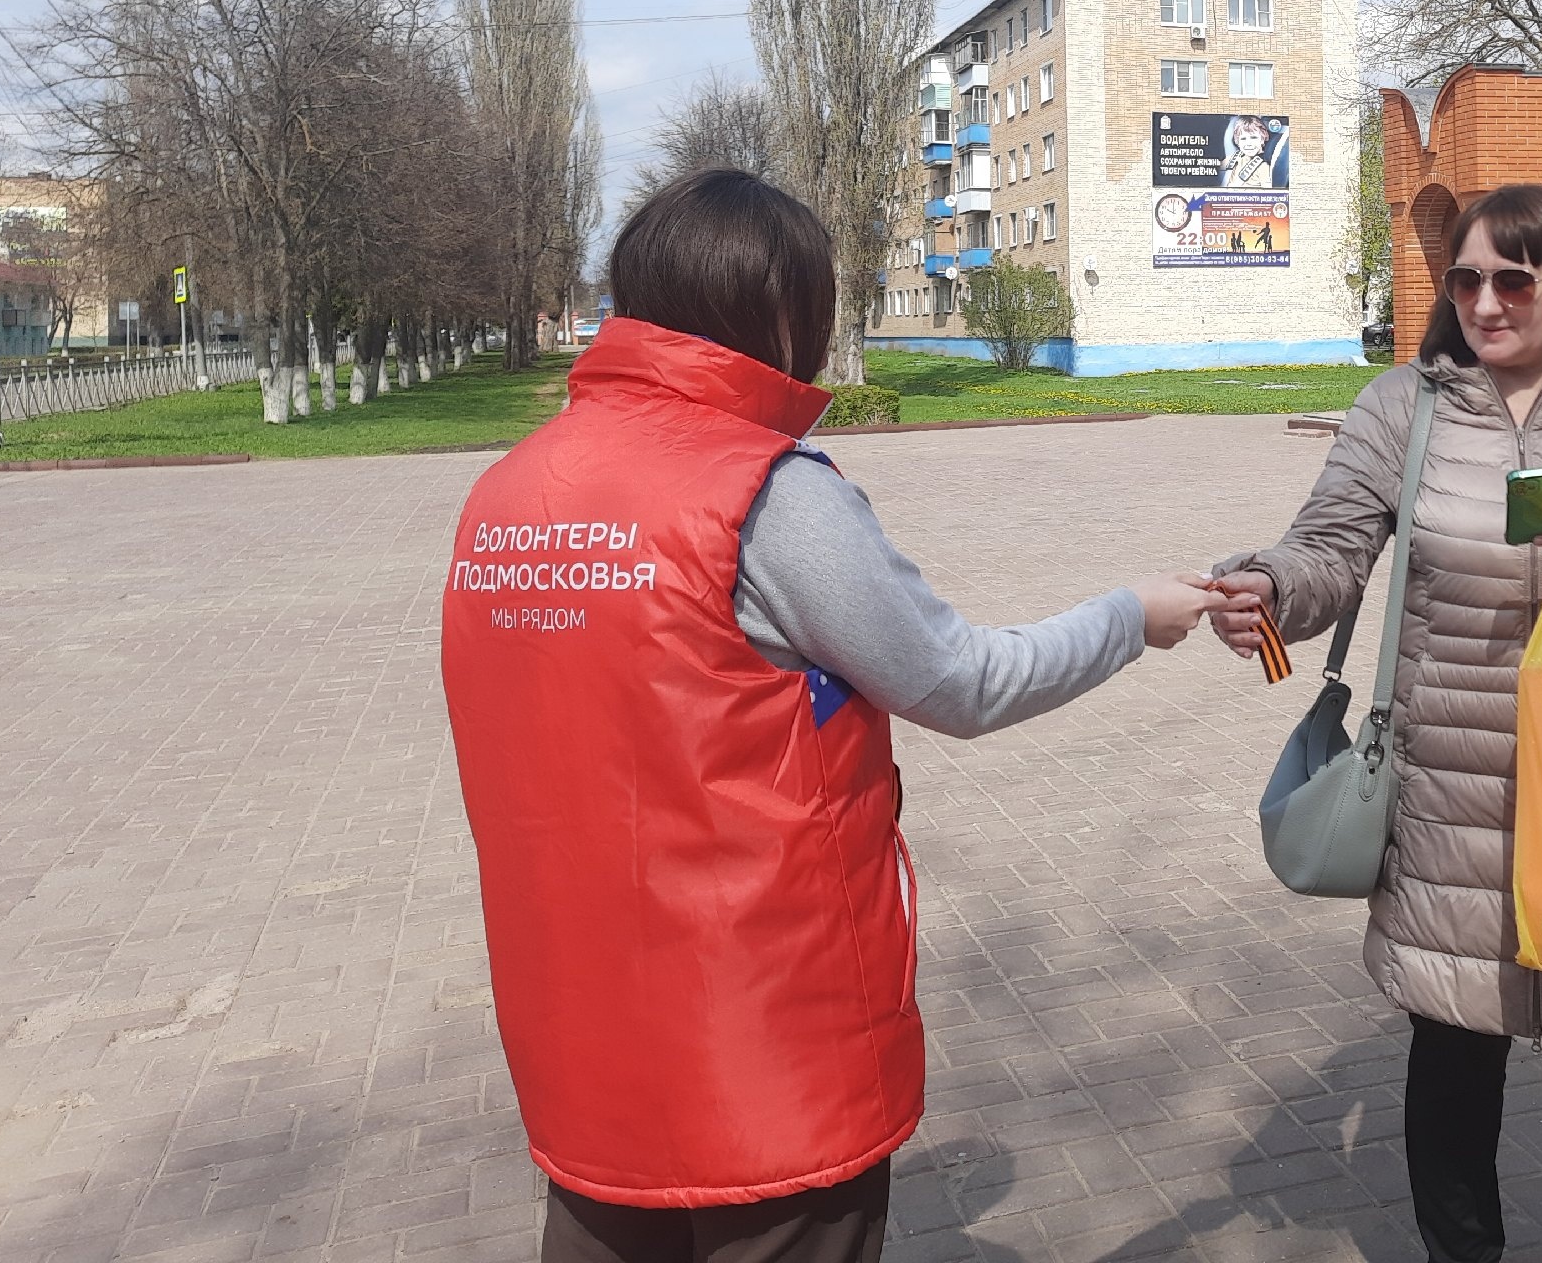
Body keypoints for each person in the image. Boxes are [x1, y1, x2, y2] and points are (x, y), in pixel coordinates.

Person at [440, 169, 1221, 1263]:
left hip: (579, 1035)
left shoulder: (510, 493)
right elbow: (958, 681)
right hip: (763, 1044)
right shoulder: (760, 490)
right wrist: (1129, 616)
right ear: (776, 310)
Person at [1209, 183, 1542, 1263]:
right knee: (1453, 1086)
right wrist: (1268, 585)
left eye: (1512, 279)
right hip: (1451, 800)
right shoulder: (1404, 406)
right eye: (1466, 281)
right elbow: (1331, 546)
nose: (1485, 303)